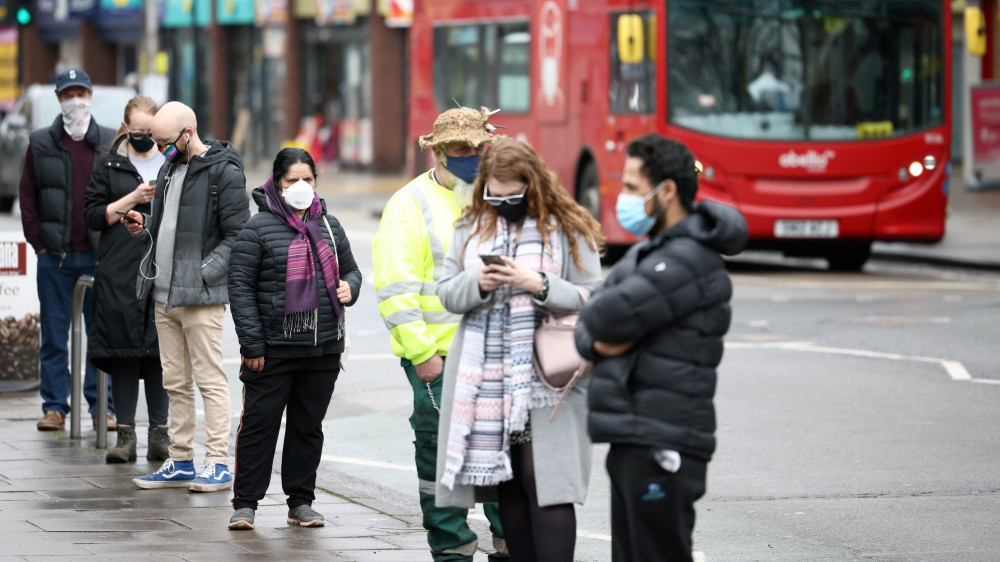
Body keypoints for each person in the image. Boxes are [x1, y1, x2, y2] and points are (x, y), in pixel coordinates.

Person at [574, 134, 748, 562]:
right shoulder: (656, 252)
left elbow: (599, 316)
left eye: (633, 188)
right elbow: (589, 325)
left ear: (666, 191)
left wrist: (595, 333)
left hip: (662, 440)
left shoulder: (688, 259)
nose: (624, 198)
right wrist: (597, 341)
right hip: (636, 435)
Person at [434, 139, 604, 562]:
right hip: (489, 380)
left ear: (533, 183)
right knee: (506, 482)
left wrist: (540, 285)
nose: (503, 201)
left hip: (550, 376)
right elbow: (446, 292)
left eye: (513, 194)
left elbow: (598, 298)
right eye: (494, 193)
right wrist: (479, 283)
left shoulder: (568, 225)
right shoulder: (470, 224)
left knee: (546, 483)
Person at [372, 107, 510, 562]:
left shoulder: (498, 198)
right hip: (441, 359)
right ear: (438, 153)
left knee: (501, 454)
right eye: (460, 148)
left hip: (495, 355)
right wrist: (422, 354)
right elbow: (396, 289)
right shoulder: (408, 206)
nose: (471, 155)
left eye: (477, 146)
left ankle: (511, 540)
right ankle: (452, 548)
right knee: (439, 456)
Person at [226, 148, 362, 530]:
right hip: (273, 350)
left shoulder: (330, 226)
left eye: (308, 179)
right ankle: (246, 504)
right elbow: (240, 288)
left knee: (307, 427)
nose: (301, 187)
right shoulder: (257, 229)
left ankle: (301, 503)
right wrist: (252, 346)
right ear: (277, 183)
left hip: (323, 347)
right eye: (292, 180)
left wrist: (351, 287)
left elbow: (351, 271)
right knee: (259, 425)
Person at [125, 101, 250, 492]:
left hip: (200, 297)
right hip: (163, 294)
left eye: (164, 142)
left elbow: (238, 236)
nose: (159, 149)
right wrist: (144, 223)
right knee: (175, 381)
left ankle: (218, 463)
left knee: (210, 380)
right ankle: (180, 459)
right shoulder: (169, 168)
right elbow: (168, 223)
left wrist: (200, 273)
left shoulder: (224, 172)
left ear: (188, 133)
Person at [19, 68, 116, 432]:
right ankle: (55, 407)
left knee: (99, 336)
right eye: (68, 94)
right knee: (54, 336)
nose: (76, 100)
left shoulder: (107, 141)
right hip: (55, 258)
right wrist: (39, 244)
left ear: (90, 97)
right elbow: (27, 197)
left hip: (96, 256)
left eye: (82, 93)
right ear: (59, 99)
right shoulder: (41, 142)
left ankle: (100, 407)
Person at [84, 95, 170, 463]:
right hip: (119, 268)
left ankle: (160, 436)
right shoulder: (108, 163)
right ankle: (125, 438)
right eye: (137, 131)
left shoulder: (172, 162)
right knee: (123, 354)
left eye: (151, 132)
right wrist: (132, 197)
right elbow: (91, 215)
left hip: (162, 265)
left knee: (159, 355)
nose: (144, 137)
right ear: (125, 129)